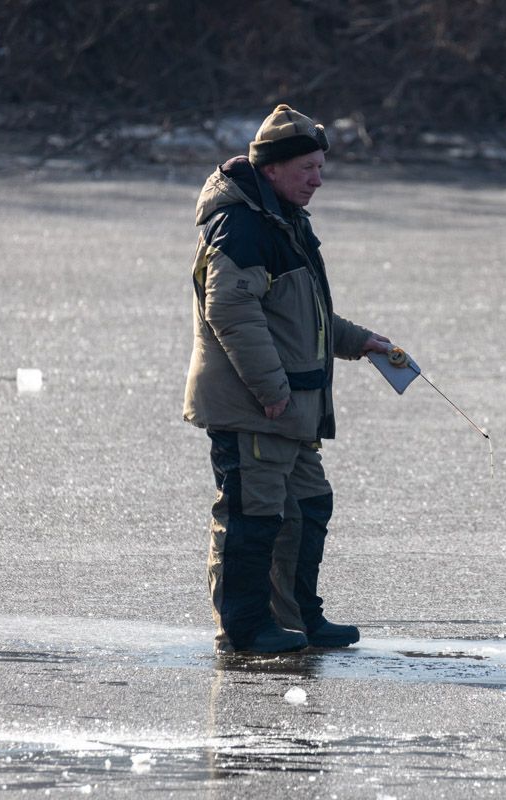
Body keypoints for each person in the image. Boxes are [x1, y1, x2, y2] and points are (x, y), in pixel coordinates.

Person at [183, 104, 389, 653]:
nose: (318, 180)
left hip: (290, 410)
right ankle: (246, 628)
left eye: (321, 168)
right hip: (256, 406)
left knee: (306, 507)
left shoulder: (284, 220)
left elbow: (302, 314)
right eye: (308, 169)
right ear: (272, 169)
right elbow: (229, 309)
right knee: (253, 517)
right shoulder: (243, 224)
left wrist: (359, 341)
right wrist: (271, 389)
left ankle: (298, 618)